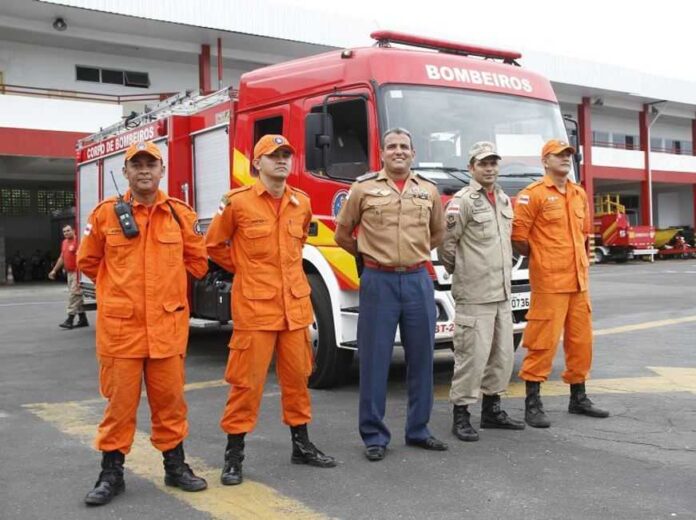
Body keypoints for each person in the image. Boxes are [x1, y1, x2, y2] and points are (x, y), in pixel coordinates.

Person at [77, 140, 209, 505]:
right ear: (126, 172)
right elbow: (88, 261)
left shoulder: (181, 215)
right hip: (122, 330)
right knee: (119, 405)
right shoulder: (105, 215)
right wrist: (119, 288)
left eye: (151, 164)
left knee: (170, 402)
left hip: (166, 328)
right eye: (136, 165)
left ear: (162, 170)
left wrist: (165, 284)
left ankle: (175, 466)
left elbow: (198, 262)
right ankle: (111, 472)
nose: (144, 170)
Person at [206, 134, 336, 487]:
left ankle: (301, 445)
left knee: (297, 380)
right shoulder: (237, 203)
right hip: (255, 310)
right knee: (246, 385)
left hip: (294, 308)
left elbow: (298, 249)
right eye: (273, 155)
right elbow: (215, 245)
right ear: (256, 163)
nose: (281, 160)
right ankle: (234, 455)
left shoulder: (301, 202)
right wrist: (246, 269)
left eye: (286, 155)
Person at [334, 127, 448, 462]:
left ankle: (419, 430)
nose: (398, 151)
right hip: (378, 281)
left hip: (417, 280)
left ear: (413, 154)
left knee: (423, 358)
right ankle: (374, 435)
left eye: (404, 147)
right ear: (381, 153)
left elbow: (438, 232)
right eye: (391, 146)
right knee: (374, 359)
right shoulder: (363, 188)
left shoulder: (428, 190)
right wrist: (371, 254)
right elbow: (342, 233)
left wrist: (411, 252)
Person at [511, 139, 609, 428]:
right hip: (550, 282)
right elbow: (519, 238)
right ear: (545, 161)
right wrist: (543, 258)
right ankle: (533, 402)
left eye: (568, 155)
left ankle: (578, 397)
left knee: (581, 342)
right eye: (559, 155)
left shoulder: (579, 194)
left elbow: (584, 235)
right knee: (542, 342)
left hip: (579, 282)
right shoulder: (533, 195)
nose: (566, 159)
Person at [437, 142, 525, 442]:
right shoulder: (462, 202)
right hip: (474, 293)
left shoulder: (502, 199)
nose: (489, 168)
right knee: (471, 357)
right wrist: (464, 270)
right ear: (471, 168)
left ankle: (492, 410)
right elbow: (447, 245)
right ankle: (461, 415)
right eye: (483, 163)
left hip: (502, 291)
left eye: (493, 163)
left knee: (502, 356)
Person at [49, 224, 88, 329]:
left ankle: (69, 319)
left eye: (68, 230)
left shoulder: (78, 242)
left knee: (74, 295)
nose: (66, 233)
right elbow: (62, 257)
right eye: (64, 231)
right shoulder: (64, 243)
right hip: (69, 273)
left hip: (77, 273)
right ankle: (83, 319)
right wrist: (54, 270)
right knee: (76, 295)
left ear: (74, 231)